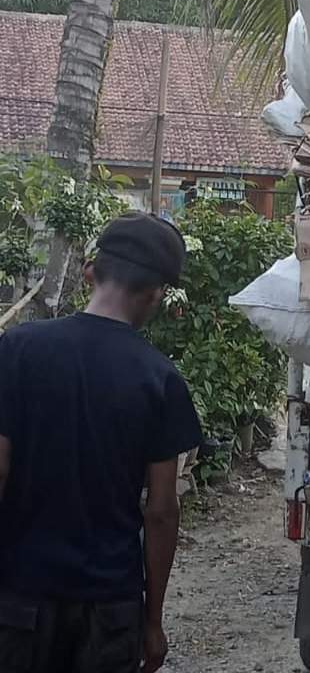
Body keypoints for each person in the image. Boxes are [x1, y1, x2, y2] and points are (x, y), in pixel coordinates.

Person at [0, 212, 202, 673]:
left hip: (20, 599)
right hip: (109, 608)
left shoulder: (17, 350)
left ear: (90, 272)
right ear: (156, 294)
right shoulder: (161, 379)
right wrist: (153, 620)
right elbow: (162, 510)